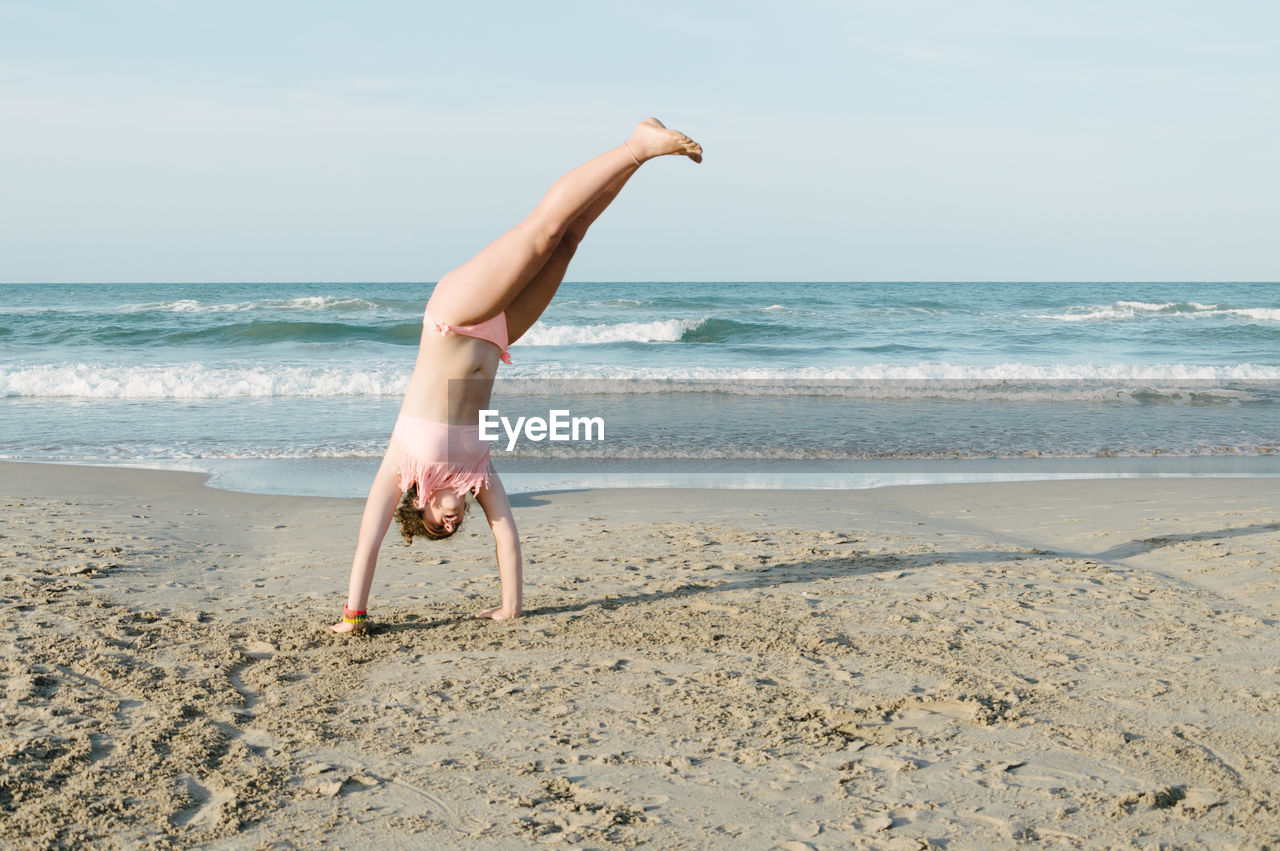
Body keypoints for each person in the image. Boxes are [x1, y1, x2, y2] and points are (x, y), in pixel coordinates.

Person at [331, 118, 703, 633]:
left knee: (542, 233)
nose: (453, 523)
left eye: (440, 523)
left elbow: (367, 540)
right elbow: (506, 533)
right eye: (452, 529)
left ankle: (637, 145)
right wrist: (511, 606)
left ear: (421, 504)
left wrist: (355, 615)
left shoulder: (404, 466)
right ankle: (642, 155)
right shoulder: (478, 472)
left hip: (454, 318)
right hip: (497, 335)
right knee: (570, 241)